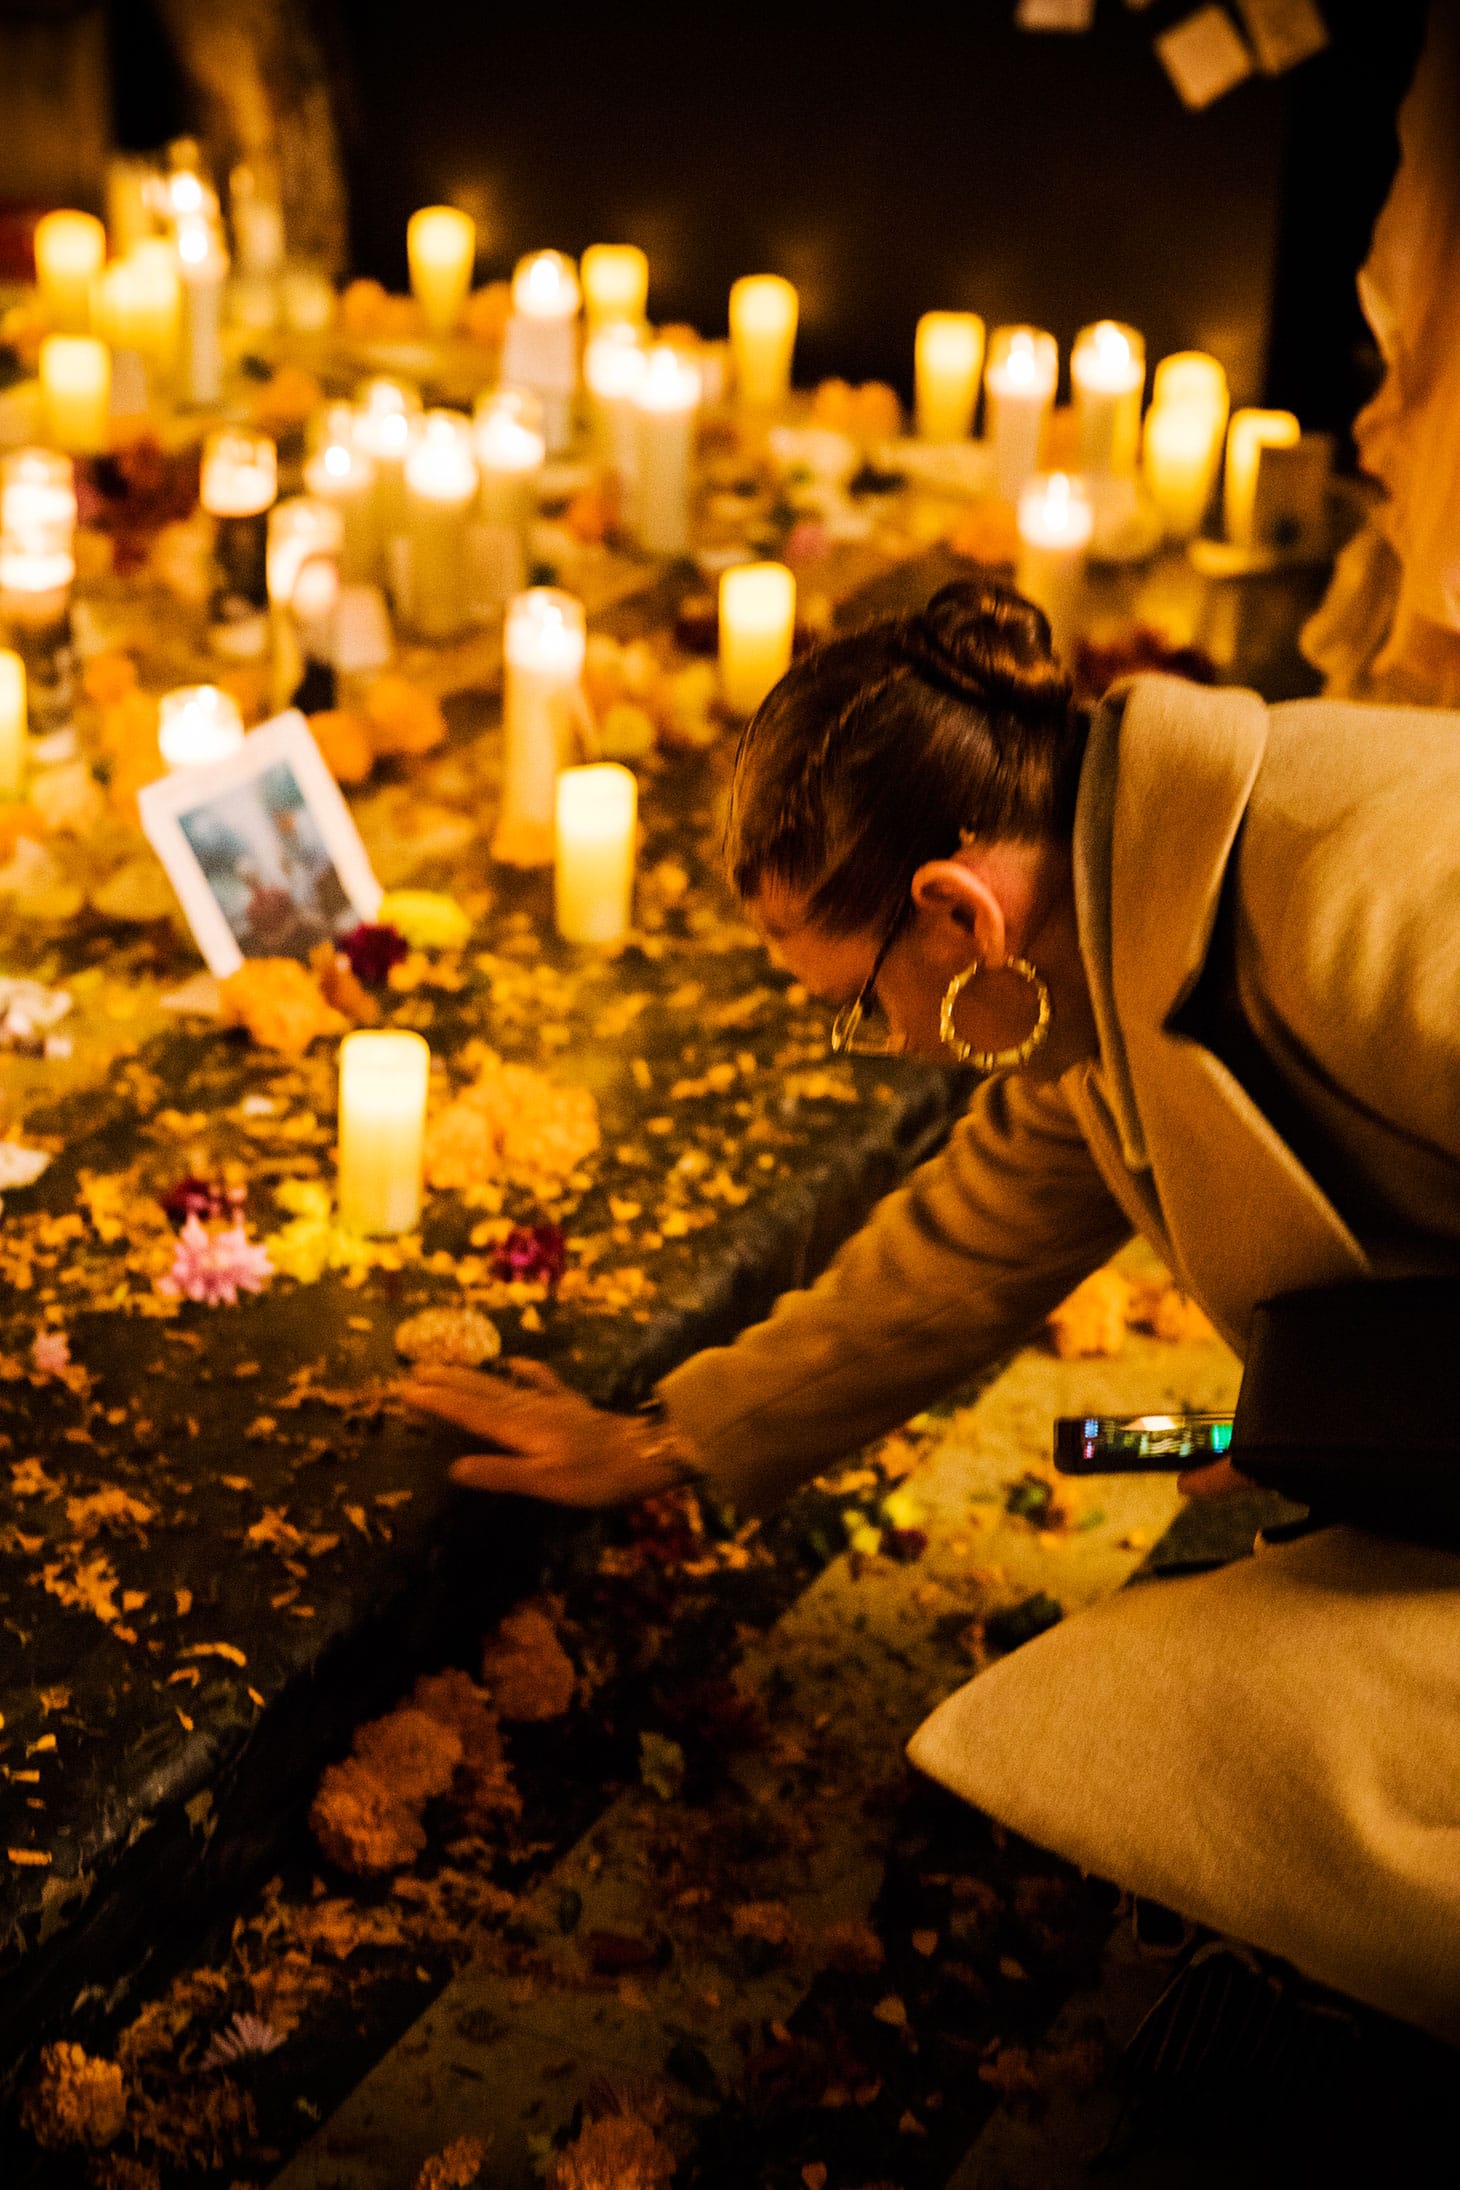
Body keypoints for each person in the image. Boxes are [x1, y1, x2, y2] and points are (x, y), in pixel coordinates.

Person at [406, 578, 1460, 2037]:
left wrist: (1384, 1425)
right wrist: (665, 1435)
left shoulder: (1357, 879)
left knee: (1199, 1745)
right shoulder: (1113, 910)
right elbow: (965, 1246)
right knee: (1100, 1722)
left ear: (956, 913)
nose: (883, 1041)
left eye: (856, 1003)